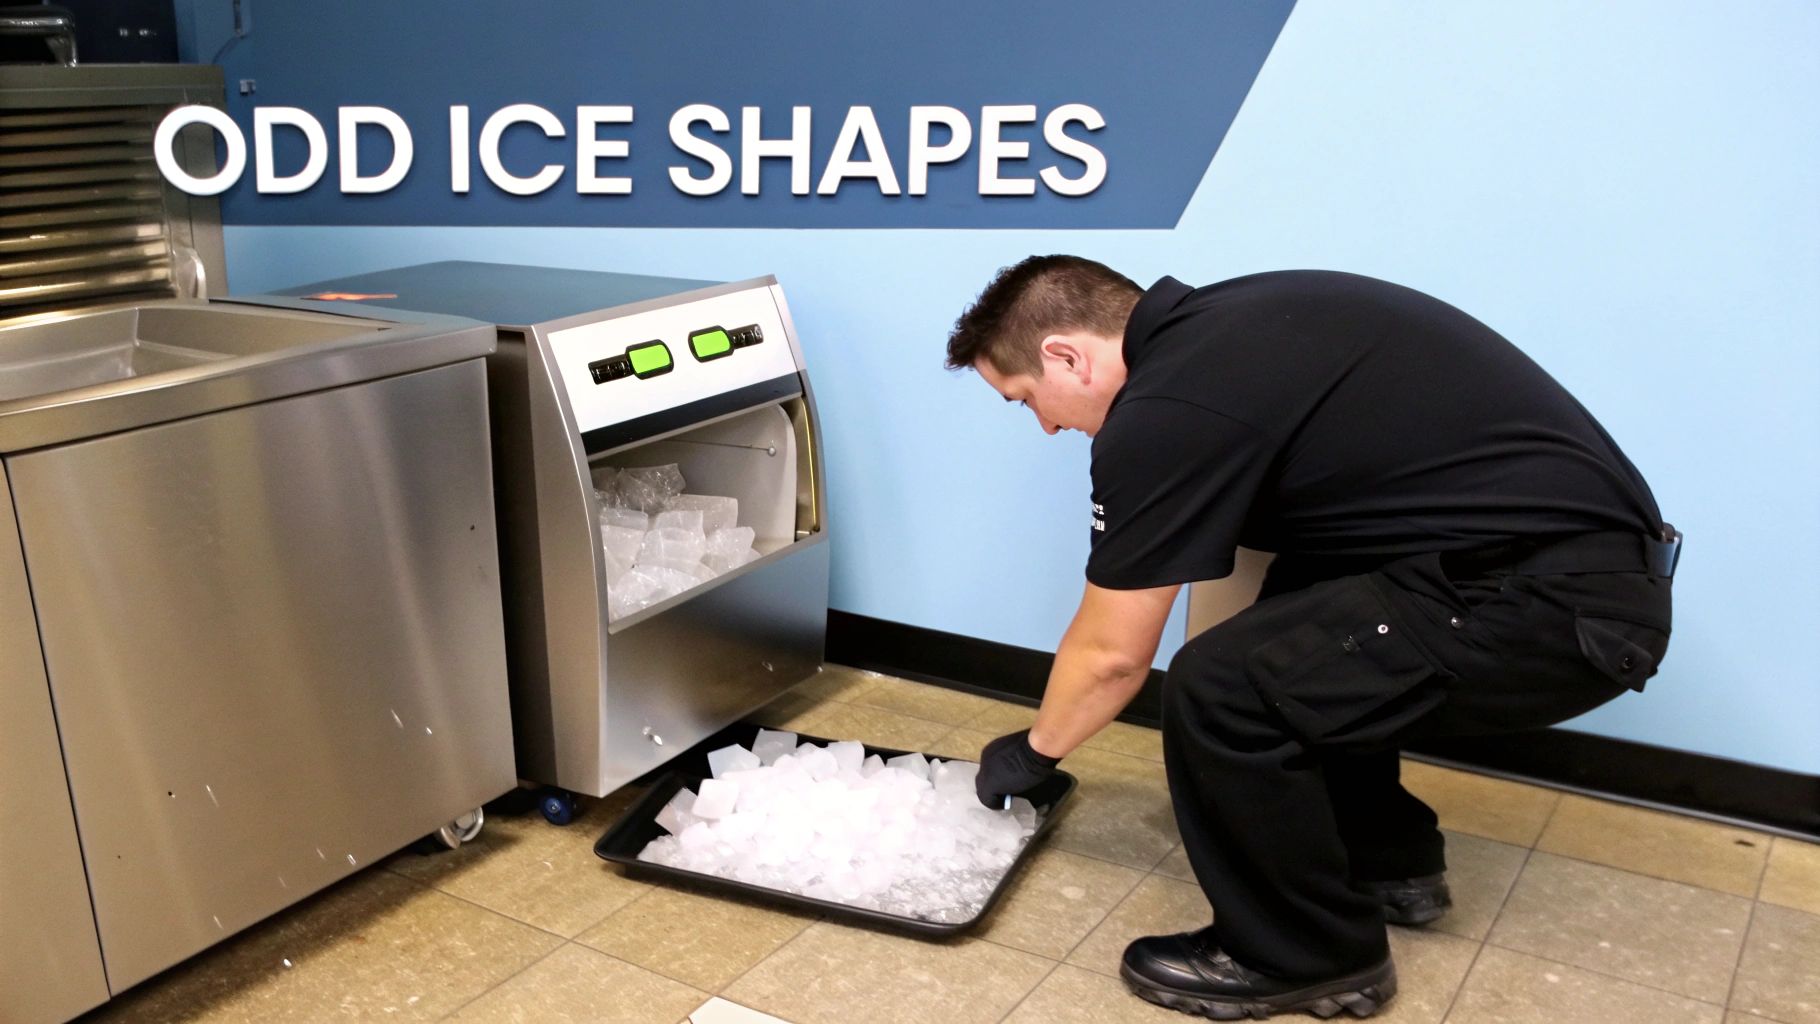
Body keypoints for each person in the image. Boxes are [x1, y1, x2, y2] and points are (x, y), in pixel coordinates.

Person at [951, 256, 1677, 1020]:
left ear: (1067, 355)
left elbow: (1112, 657)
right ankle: (1388, 862)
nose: (1046, 425)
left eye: (1027, 398)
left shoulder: (1170, 404)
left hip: (1549, 608)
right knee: (1302, 629)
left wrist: (1034, 752)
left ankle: (1306, 954)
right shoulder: (1234, 325)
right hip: (1573, 582)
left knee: (1224, 687)